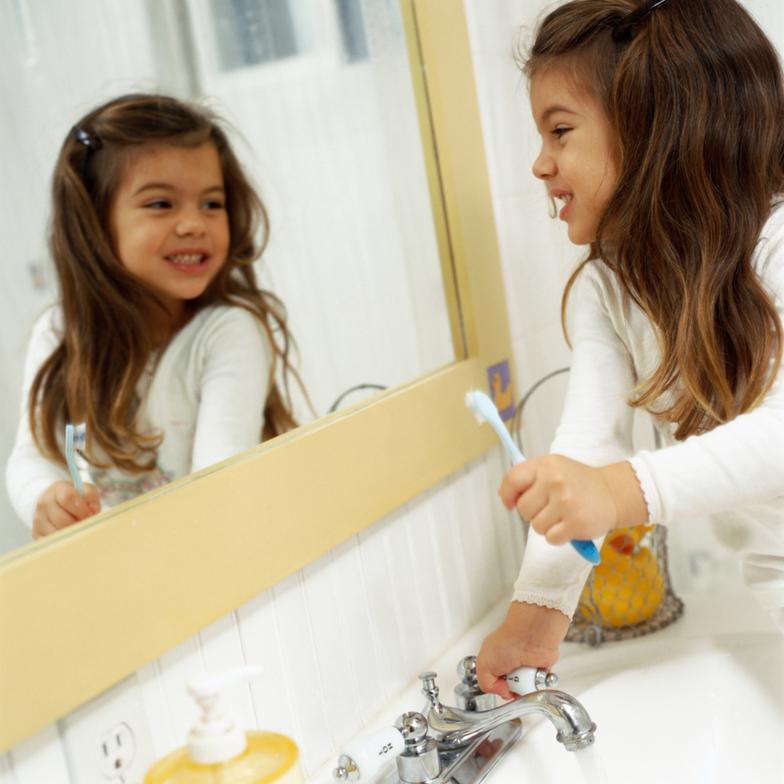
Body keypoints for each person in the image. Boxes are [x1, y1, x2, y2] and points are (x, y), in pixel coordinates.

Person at [476, 0, 784, 699]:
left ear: (654, 129)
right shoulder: (611, 285)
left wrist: (615, 493)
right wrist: (537, 617)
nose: (539, 164)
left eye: (560, 131)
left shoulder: (777, 242)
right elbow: (585, 450)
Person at [6, 93, 302, 540]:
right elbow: (34, 455)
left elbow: (220, 489)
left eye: (211, 203)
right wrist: (47, 497)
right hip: (114, 579)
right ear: (94, 224)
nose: (193, 224)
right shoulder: (59, 333)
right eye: (161, 204)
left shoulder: (226, 333)